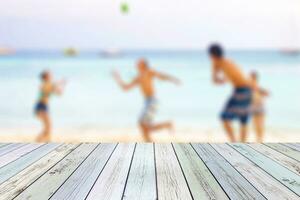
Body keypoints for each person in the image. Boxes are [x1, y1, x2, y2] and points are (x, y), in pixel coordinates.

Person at [112, 58, 181, 142]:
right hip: (147, 102)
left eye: (139, 62)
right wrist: (117, 78)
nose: (136, 63)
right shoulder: (138, 77)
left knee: (142, 124)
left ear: (143, 64)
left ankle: (167, 124)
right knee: (144, 128)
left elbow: (162, 76)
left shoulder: (149, 72)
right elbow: (125, 88)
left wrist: (174, 79)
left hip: (152, 101)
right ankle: (150, 145)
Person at [208, 44, 254, 142]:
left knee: (224, 116)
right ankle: (241, 145)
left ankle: (234, 143)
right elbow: (236, 74)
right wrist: (224, 79)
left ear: (212, 55)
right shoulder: (227, 61)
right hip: (247, 89)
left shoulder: (219, 63)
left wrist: (221, 78)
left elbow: (215, 80)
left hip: (242, 90)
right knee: (243, 118)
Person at [34, 71, 66, 142]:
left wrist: (61, 85)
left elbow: (59, 93)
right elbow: (48, 88)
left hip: (44, 106)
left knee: (48, 127)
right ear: (46, 77)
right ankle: (40, 140)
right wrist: (59, 84)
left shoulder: (48, 85)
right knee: (48, 126)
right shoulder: (45, 85)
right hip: (41, 106)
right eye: (49, 75)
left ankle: (44, 140)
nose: (51, 76)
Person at [250, 71, 269, 142]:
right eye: (251, 78)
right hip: (254, 108)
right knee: (256, 125)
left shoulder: (257, 87)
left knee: (260, 125)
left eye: (253, 78)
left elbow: (267, 93)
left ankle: (260, 140)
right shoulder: (250, 88)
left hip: (260, 108)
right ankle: (259, 140)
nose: (252, 79)